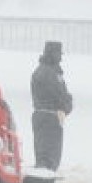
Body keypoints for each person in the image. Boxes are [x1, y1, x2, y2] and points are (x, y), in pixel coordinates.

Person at [30, 40, 73, 171]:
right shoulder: (50, 73)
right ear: (52, 53)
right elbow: (59, 95)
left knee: (43, 157)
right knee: (49, 160)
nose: (61, 57)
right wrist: (68, 103)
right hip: (50, 118)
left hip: (42, 117)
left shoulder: (41, 70)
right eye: (59, 53)